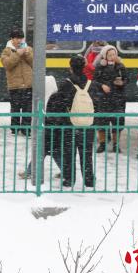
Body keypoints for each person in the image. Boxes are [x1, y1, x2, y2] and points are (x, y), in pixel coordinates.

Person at [46, 55, 95, 188]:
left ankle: (69, 179)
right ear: (84, 67)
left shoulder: (66, 84)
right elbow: (96, 104)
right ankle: (89, 180)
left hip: (70, 125)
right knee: (87, 156)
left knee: (69, 155)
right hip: (87, 125)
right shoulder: (90, 83)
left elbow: (58, 105)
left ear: (70, 67)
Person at [93, 45, 128, 153]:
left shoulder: (120, 66)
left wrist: (122, 83)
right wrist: (102, 86)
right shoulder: (99, 67)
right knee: (101, 122)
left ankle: (116, 145)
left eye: (114, 54)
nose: (112, 57)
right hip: (103, 99)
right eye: (110, 55)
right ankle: (102, 144)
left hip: (118, 99)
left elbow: (127, 79)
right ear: (105, 56)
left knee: (117, 123)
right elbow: (94, 81)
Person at [0, 29, 33, 135]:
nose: (19, 40)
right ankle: (14, 128)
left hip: (28, 84)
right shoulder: (7, 51)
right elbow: (7, 64)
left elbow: (35, 63)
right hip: (15, 86)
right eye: (17, 38)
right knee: (15, 108)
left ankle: (26, 129)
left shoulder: (29, 49)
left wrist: (27, 54)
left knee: (28, 108)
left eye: (21, 38)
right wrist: (17, 54)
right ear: (12, 39)